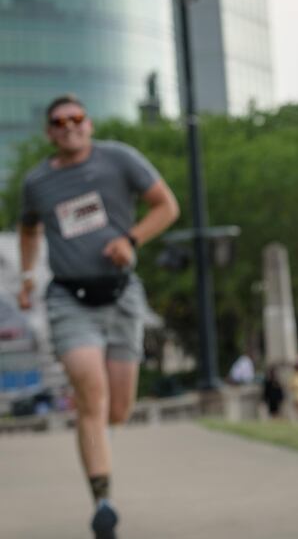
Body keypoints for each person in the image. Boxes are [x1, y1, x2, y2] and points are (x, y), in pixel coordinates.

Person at [15, 94, 181, 539]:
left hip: (122, 294)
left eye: (76, 118)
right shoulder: (37, 182)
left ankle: (96, 445)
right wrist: (27, 277)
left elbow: (167, 206)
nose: (69, 125)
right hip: (69, 298)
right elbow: (28, 229)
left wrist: (131, 239)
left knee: (118, 408)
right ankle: (103, 504)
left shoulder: (120, 159)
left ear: (88, 123)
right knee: (91, 393)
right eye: (59, 121)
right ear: (49, 132)